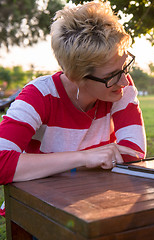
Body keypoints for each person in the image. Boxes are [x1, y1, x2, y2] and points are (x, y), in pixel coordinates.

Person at [0, 1, 146, 216]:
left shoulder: (119, 88)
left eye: (125, 66)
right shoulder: (38, 95)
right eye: (111, 76)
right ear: (75, 76)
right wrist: (84, 157)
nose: (124, 81)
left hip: (97, 201)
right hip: (39, 206)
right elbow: (2, 163)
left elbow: (135, 154)